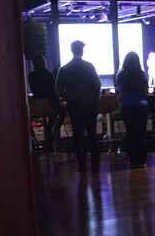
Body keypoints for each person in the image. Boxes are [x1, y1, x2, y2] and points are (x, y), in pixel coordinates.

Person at [56, 40, 101, 172]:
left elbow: (58, 90)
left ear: (72, 50)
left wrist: (67, 98)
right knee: (92, 135)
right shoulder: (89, 66)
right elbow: (97, 85)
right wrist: (95, 101)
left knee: (78, 136)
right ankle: (95, 165)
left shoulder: (64, 69)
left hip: (74, 106)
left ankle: (82, 165)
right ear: (82, 51)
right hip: (90, 106)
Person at [116, 52, 149, 169]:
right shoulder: (142, 74)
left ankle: (133, 160)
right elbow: (146, 91)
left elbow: (119, 92)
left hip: (127, 107)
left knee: (131, 133)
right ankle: (142, 160)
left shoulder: (121, 75)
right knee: (141, 133)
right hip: (141, 106)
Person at [28, 55, 61, 149]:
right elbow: (52, 92)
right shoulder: (48, 74)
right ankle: (52, 131)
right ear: (43, 63)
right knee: (61, 112)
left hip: (37, 106)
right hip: (49, 104)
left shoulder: (31, 76)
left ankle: (46, 134)